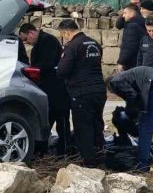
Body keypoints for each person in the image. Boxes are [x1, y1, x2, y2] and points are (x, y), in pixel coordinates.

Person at [108, 66, 153, 171]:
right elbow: (138, 97)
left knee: (145, 130)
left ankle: (143, 165)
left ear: (110, 86)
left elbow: (131, 96)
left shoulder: (116, 81)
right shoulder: (132, 76)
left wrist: (130, 115)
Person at [56, 19, 106, 167]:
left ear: (66, 32)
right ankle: (101, 158)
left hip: (82, 93)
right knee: (97, 125)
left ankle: (89, 163)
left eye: (63, 35)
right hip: (99, 91)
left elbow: (62, 70)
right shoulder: (94, 43)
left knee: (83, 128)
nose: (64, 37)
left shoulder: (72, 46)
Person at [19, 23, 69, 155]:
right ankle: (43, 151)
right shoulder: (40, 44)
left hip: (57, 89)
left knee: (61, 122)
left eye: (26, 39)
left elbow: (48, 64)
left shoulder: (48, 41)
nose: (27, 43)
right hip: (46, 90)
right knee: (46, 121)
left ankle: (64, 151)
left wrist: (34, 70)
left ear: (31, 33)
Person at [116, 4, 147, 73]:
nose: (123, 16)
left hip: (131, 63)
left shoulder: (132, 26)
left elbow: (128, 46)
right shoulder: (141, 22)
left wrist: (121, 62)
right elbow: (118, 25)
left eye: (125, 13)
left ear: (132, 13)